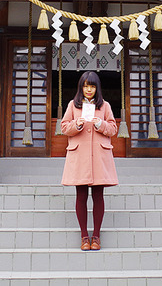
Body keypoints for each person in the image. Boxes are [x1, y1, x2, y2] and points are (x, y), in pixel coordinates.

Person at [60, 70, 118, 251]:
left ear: (97, 88)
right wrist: (76, 125)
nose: (89, 89)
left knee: (99, 196)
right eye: (86, 86)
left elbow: (113, 128)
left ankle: (97, 236)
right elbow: (64, 128)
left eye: (92, 86)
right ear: (81, 87)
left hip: (99, 157)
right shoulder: (72, 105)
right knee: (81, 195)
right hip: (79, 156)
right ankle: (85, 236)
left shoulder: (105, 106)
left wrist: (100, 125)